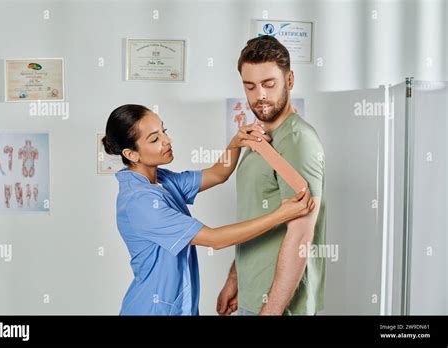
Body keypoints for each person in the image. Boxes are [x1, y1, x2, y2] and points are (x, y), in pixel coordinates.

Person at [103, 104, 315, 315]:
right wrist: (280, 215)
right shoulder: (140, 202)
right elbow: (215, 239)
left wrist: (236, 143)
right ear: (131, 154)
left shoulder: (162, 181)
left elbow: (217, 174)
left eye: (163, 131)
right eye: (154, 139)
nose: (167, 141)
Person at [217, 35, 327, 316]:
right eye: (250, 86)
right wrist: (235, 278)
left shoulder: (297, 140)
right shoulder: (259, 139)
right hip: (253, 298)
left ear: (290, 80)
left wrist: (271, 310)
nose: (260, 96)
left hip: (277, 308)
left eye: (269, 84)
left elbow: (301, 234)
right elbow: (254, 218)